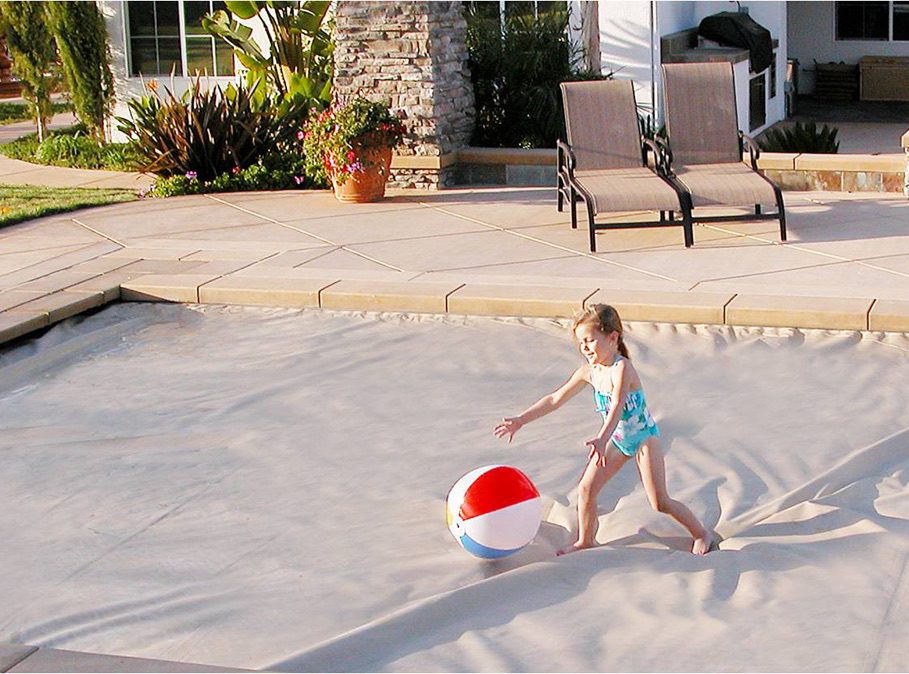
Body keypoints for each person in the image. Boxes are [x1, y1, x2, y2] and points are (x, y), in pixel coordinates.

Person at [494, 304, 719, 556]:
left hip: (644, 439)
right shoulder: (588, 372)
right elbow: (555, 398)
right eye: (581, 342)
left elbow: (617, 405)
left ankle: (701, 533)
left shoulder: (623, 368)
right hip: (619, 439)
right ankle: (586, 540)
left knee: (660, 502)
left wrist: (602, 438)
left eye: (590, 340)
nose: (585, 348)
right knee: (586, 489)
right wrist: (521, 419)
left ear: (612, 338)